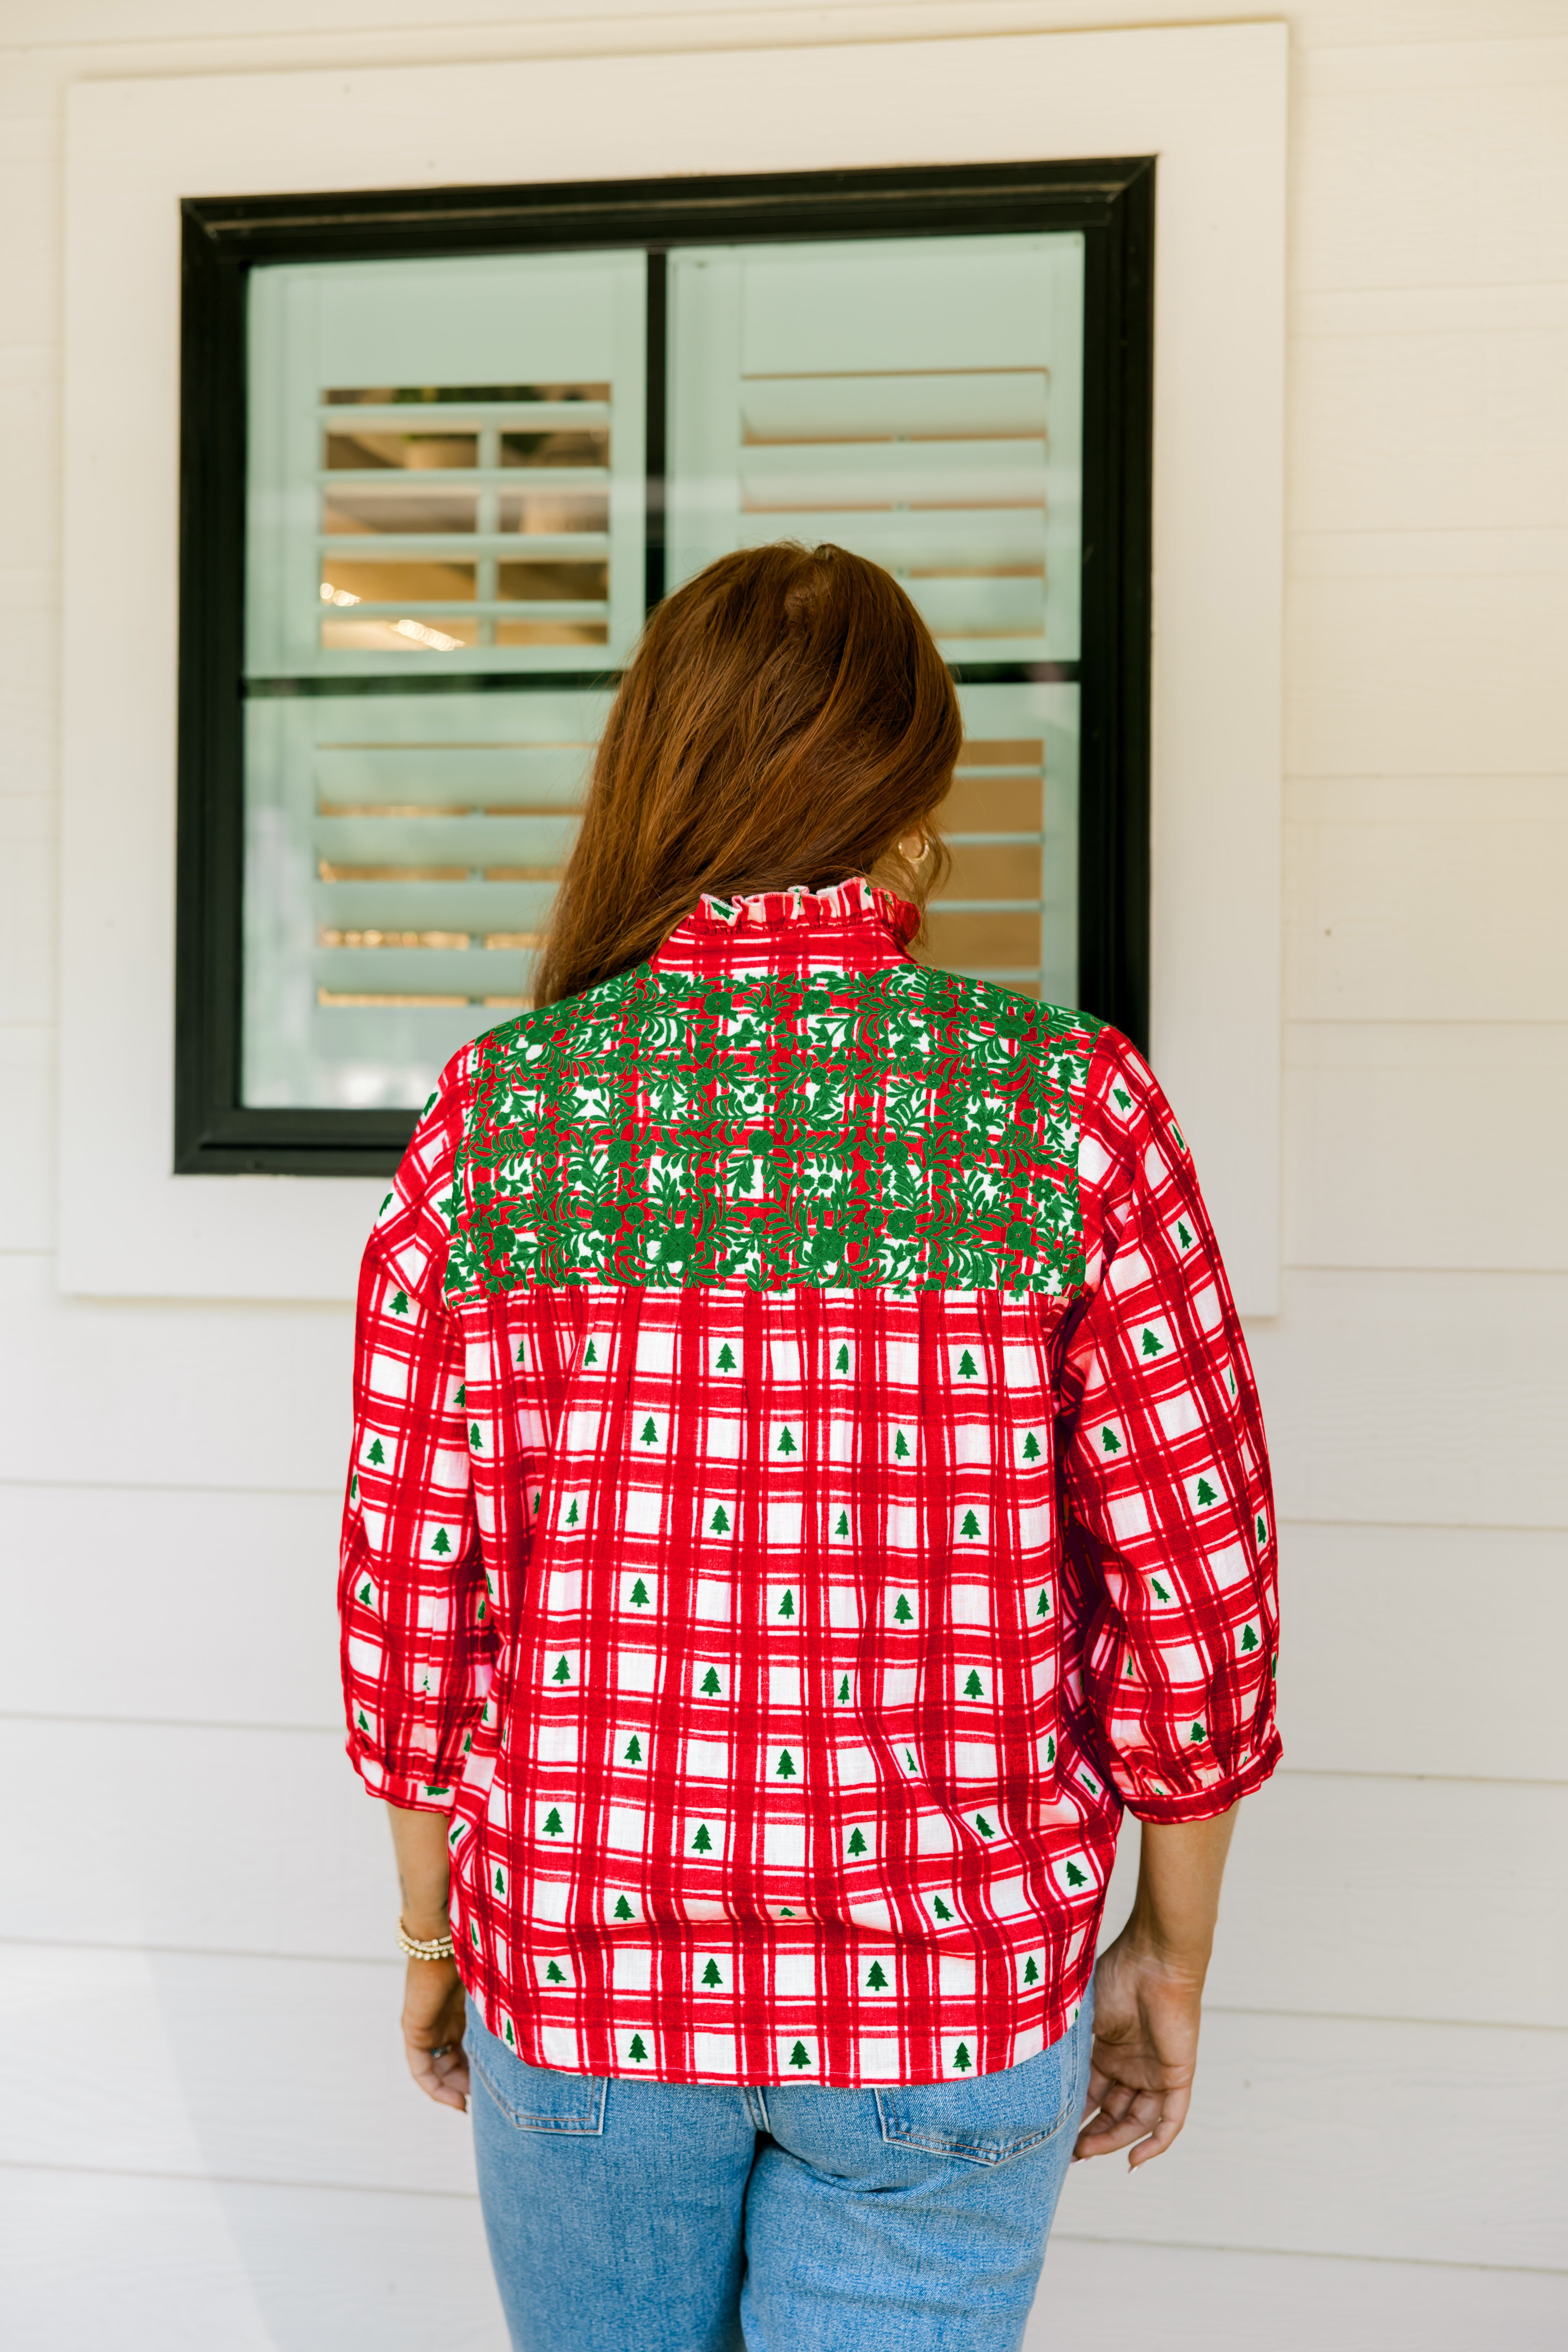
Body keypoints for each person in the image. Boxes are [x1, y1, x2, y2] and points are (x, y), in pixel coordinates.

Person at [337, 542, 1281, 2352]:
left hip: (589, 1976)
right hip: (943, 1996)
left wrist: (435, 1934)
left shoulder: (502, 1119)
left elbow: (411, 1601)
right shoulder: (1067, 1108)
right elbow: (1198, 1595)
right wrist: (1172, 1957)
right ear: (914, 805)